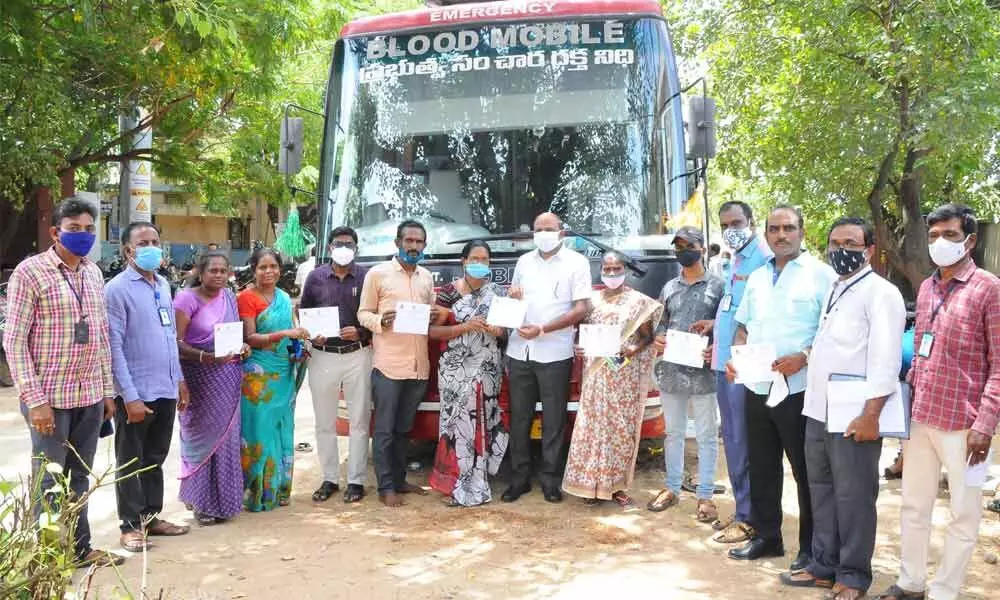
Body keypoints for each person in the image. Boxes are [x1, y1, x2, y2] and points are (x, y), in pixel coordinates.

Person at [877, 204, 1000, 600]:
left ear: (970, 240)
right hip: (921, 419)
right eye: (933, 236)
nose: (940, 243)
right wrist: (903, 425)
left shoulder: (989, 289)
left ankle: (945, 591)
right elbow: (922, 355)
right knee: (914, 506)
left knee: (964, 514)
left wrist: (985, 425)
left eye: (949, 235)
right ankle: (911, 583)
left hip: (966, 427)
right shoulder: (927, 288)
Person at [779, 217, 904, 600]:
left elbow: (886, 359)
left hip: (854, 414)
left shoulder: (881, 293)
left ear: (868, 250)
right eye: (835, 243)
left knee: (854, 496)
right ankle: (823, 564)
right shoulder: (837, 288)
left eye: (850, 243)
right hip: (819, 411)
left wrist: (871, 414)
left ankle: (852, 575)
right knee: (822, 491)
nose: (841, 251)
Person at [2, 199, 123, 568]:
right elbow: (15, 340)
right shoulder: (30, 272)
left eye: (89, 229)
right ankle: (50, 557)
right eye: (74, 228)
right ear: (55, 232)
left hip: (88, 396)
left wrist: (106, 391)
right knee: (49, 481)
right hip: (49, 399)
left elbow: (100, 335)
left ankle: (80, 549)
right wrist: (34, 399)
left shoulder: (93, 273)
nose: (82, 235)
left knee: (80, 478)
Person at [725, 205, 836, 569]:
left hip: (799, 389)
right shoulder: (757, 276)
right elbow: (743, 326)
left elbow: (832, 331)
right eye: (774, 228)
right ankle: (768, 537)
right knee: (761, 466)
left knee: (806, 471)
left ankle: (810, 548)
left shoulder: (822, 275)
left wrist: (803, 356)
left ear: (802, 232)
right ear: (766, 233)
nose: (781, 235)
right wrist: (737, 357)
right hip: (757, 386)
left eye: (789, 228)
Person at [105, 222, 191, 552]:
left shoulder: (163, 285)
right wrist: (130, 396)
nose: (152, 246)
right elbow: (114, 346)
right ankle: (129, 525)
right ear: (129, 250)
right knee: (130, 459)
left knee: (155, 457)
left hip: (165, 388)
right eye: (144, 242)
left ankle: (150, 518)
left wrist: (179, 380)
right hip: (136, 393)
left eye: (155, 240)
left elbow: (170, 338)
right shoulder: (117, 289)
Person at [504, 212, 591, 504]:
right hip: (519, 350)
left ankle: (551, 481)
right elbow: (514, 300)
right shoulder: (523, 262)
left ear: (561, 233)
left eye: (549, 229)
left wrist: (543, 329)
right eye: (538, 229)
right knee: (520, 418)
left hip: (555, 352)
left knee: (553, 420)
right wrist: (512, 301)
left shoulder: (576, 263)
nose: (543, 233)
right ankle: (519, 480)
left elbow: (581, 309)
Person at [562, 252, 662, 507]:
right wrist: (579, 347)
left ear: (624, 270)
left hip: (622, 374)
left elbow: (647, 337)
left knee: (619, 429)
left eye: (617, 268)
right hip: (595, 376)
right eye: (607, 268)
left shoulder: (638, 302)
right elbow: (580, 334)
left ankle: (615, 487)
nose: (612, 272)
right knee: (592, 429)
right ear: (601, 271)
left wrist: (631, 350)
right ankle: (590, 486)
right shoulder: (591, 301)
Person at [700, 201, 773, 543]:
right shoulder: (734, 259)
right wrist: (714, 324)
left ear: (752, 221)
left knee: (746, 440)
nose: (732, 228)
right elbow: (736, 307)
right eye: (725, 223)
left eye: (737, 222)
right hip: (722, 362)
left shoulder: (765, 258)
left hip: (743, 368)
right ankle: (742, 507)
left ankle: (751, 515)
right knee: (732, 439)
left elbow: (760, 316)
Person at [357, 220, 440, 508]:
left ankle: (400, 479)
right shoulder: (378, 274)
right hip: (388, 365)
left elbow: (430, 312)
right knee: (384, 430)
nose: (414, 246)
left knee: (405, 429)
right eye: (409, 241)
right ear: (397, 243)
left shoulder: (426, 277)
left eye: (419, 242)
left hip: (419, 366)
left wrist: (432, 316)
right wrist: (381, 321)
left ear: (424, 246)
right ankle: (386, 487)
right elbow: (363, 313)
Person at [647, 227, 724, 522]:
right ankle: (672, 488)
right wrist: (660, 337)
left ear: (702, 249)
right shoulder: (669, 288)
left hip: (703, 372)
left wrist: (714, 345)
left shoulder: (719, 287)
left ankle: (705, 495)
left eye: (688, 245)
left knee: (705, 435)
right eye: (678, 246)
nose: (683, 251)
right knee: (674, 433)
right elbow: (661, 322)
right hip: (671, 370)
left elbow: (727, 326)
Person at [428, 241, 508, 507]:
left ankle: (478, 483)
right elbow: (432, 332)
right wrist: (464, 327)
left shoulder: (498, 293)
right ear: (463, 261)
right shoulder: (448, 294)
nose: (480, 263)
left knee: (481, 423)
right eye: (475, 258)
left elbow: (508, 331)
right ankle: (456, 484)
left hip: (487, 369)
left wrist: (499, 331)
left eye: (485, 259)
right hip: (455, 370)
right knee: (455, 425)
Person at [173, 251, 250, 525]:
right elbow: (175, 342)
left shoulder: (229, 297)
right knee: (200, 439)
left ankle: (224, 500)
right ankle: (200, 501)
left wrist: (243, 346)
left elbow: (234, 334)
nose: (218, 275)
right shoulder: (186, 299)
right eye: (212, 270)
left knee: (227, 438)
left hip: (228, 375)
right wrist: (206, 357)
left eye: (222, 271)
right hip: (199, 377)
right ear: (200, 272)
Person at [301, 227, 372, 504]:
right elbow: (304, 311)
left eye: (349, 244)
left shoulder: (367, 276)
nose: (344, 248)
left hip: (358, 353)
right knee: (324, 421)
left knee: (359, 420)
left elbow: (374, 314)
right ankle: (329, 478)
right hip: (322, 355)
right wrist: (310, 332)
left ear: (356, 248)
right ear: (329, 248)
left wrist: (361, 332)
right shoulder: (315, 277)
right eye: (339, 243)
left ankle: (356, 481)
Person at [238, 248, 310, 511]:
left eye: (273, 267)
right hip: (258, 375)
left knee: (282, 429)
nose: (269, 272)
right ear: (253, 270)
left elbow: (293, 337)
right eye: (262, 267)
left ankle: (279, 489)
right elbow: (250, 338)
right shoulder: (246, 298)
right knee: (259, 430)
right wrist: (285, 333)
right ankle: (257, 493)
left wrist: (298, 352)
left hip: (283, 373)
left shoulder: (282, 297)